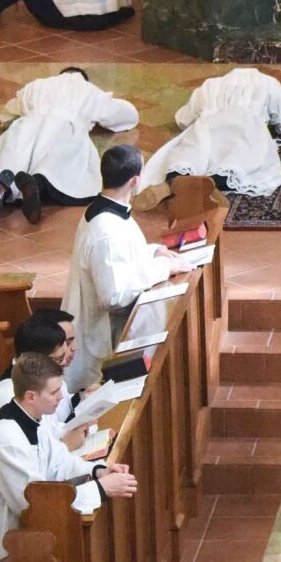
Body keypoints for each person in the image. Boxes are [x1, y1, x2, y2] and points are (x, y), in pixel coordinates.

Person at [0, 353, 138, 562]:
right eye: (54, 392)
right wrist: (99, 489)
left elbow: (59, 461)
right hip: (8, 546)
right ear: (31, 396)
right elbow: (36, 504)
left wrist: (97, 471)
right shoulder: (6, 440)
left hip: (30, 538)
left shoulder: (34, 416)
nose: (61, 396)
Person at [66, 145, 199, 389]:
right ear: (135, 181)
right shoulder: (106, 230)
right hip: (104, 336)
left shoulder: (105, 210)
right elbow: (114, 296)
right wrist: (163, 267)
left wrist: (153, 251)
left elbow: (120, 260)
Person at [0, 66, 142, 223]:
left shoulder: (36, 85)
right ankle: (37, 185)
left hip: (25, 125)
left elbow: (7, 113)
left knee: (13, 157)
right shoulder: (87, 89)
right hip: (65, 130)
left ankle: (1, 184)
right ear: (83, 78)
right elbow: (125, 115)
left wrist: (6, 120)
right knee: (57, 167)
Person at [143, 67, 281, 198]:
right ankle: (211, 183)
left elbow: (183, 119)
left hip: (207, 125)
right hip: (246, 125)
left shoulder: (209, 85)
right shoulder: (268, 83)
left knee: (191, 154)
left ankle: (172, 182)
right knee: (242, 160)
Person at [0, 311, 83, 437]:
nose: (64, 362)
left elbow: (52, 428)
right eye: (59, 359)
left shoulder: (39, 377)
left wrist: (81, 399)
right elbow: (31, 443)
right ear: (37, 358)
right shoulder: (9, 395)